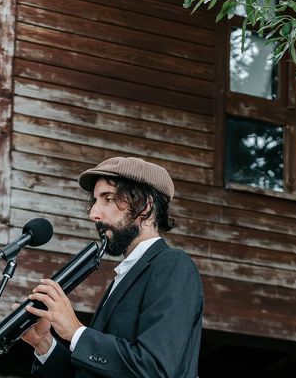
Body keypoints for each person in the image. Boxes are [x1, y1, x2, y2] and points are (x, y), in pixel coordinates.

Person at [22, 156, 204, 378]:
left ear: (145, 207)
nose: (93, 214)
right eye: (95, 201)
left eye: (107, 198)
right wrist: (44, 344)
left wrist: (76, 331)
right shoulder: (124, 275)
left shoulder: (172, 266)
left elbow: (157, 369)